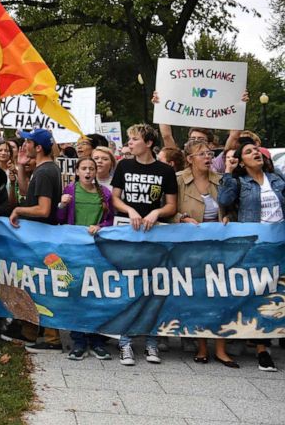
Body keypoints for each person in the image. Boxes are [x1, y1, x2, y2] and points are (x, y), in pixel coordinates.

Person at [111, 124, 177, 366]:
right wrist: (130, 210)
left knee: (153, 288)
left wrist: (156, 213)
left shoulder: (165, 171)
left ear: (148, 143)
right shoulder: (124, 166)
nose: (130, 143)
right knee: (129, 286)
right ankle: (125, 342)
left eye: (135, 139)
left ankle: (151, 342)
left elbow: (172, 205)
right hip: (128, 232)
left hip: (153, 235)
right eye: (129, 139)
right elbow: (115, 198)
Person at [217, 138, 284, 372]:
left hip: (279, 246)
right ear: (242, 161)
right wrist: (228, 171)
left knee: (276, 295)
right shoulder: (240, 182)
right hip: (256, 248)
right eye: (248, 151)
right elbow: (224, 200)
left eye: (256, 150)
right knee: (259, 296)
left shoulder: (276, 180)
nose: (255, 153)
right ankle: (261, 348)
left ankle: (264, 344)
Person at [174, 139, 237, 367]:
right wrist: (181, 218)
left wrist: (229, 217)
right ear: (189, 159)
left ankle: (221, 348)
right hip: (191, 248)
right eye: (201, 154)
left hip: (219, 247)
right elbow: (167, 210)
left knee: (221, 295)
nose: (208, 157)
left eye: (209, 153)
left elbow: (231, 208)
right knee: (199, 295)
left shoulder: (220, 180)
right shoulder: (178, 180)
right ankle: (202, 346)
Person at [5, 129, 62, 352]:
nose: (23, 144)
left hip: (43, 238)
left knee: (43, 286)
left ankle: (52, 339)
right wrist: (20, 166)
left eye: (28, 141)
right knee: (33, 284)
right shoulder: (43, 169)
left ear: (38, 147)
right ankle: (30, 331)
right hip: (40, 237)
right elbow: (29, 193)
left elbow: (43, 208)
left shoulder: (46, 172)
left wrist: (18, 209)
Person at [57, 158, 114, 361]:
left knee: (97, 294)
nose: (88, 172)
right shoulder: (70, 191)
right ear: (77, 171)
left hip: (97, 251)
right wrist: (62, 205)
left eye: (92, 168)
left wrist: (101, 227)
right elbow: (59, 219)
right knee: (77, 294)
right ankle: (78, 341)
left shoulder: (105, 193)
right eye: (84, 168)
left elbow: (110, 220)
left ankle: (97, 340)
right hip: (75, 251)